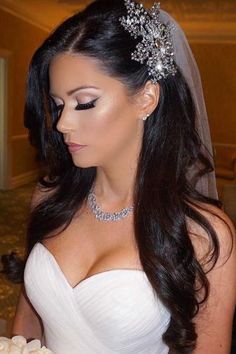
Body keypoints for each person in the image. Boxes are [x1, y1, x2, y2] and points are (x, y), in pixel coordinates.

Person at [1, 0, 236, 353]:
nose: (63, 123)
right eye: (58, 105)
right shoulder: (50, 197)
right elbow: (28, 327)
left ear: (145, 98)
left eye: (84, 102)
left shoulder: (202, 232)